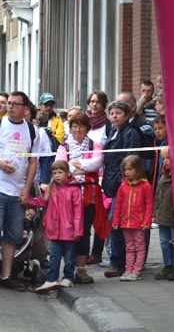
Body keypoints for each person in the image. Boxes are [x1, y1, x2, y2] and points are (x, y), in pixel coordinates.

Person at [0, 91, 45, 291]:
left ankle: (6, 276)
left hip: (18, 191)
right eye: (9, 103)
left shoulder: (33, 131)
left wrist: (27, 188)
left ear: (25, 109)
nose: (10, 106)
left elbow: (33, 162)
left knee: (13, 235)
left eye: (15, 104)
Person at [57, 112, 104, 284]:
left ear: (87, 128)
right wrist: (83, 167)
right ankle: (69, 268)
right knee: (68, 232)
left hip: (88, 197)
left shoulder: (95, 144)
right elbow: (61, 167)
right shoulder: (64, 146)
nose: (77, 129)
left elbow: (97, 163)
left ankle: (81, 269)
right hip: (68, 197)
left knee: (84, 232)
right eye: (74, 126)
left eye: (81, 126)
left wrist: (76, 165)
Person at [100, 100, 145, 278]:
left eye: (119, 113)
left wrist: (124, 184)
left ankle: (118, 263)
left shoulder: (130, 133)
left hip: (124, 188)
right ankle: (121, 261)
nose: (115, 116)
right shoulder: (113, 133)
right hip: (111, 186)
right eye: (112, 113)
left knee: (117, 224)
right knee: (115, 224)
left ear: (126, 116)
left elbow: (130, 160)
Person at [31, 160, 84, 294]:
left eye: (60, 172)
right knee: (54, 255)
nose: (57, 175)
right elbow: (42, 201)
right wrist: (29, 200)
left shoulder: (74, 189)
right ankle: (52, 278)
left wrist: (78, 230)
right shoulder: (52, 188)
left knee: (69, 255)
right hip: (54, 229)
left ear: (67, 173)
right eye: (54, 173)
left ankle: (68, 277)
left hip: (69, 229)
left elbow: (78, 212)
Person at [113, 154, 154, 281]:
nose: (127, 172)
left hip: (139, 223)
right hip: (126, 222)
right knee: (129, 247)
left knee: (140, 247)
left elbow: (149, 206)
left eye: (130, 169)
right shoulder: (123, 186)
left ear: (138, 169)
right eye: (125, 170)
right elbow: (118, 205)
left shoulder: (146, 186)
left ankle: (137, 270)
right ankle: (128, 269)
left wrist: (147, 221)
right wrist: (116, 221)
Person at [153, 146, 174, 281]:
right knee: (164, 242)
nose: (165, 161)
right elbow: (157, 196)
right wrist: (155, 213)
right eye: (164, 158)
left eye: (168, 158)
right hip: (163, 217)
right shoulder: (163, 177)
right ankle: (168, 264)